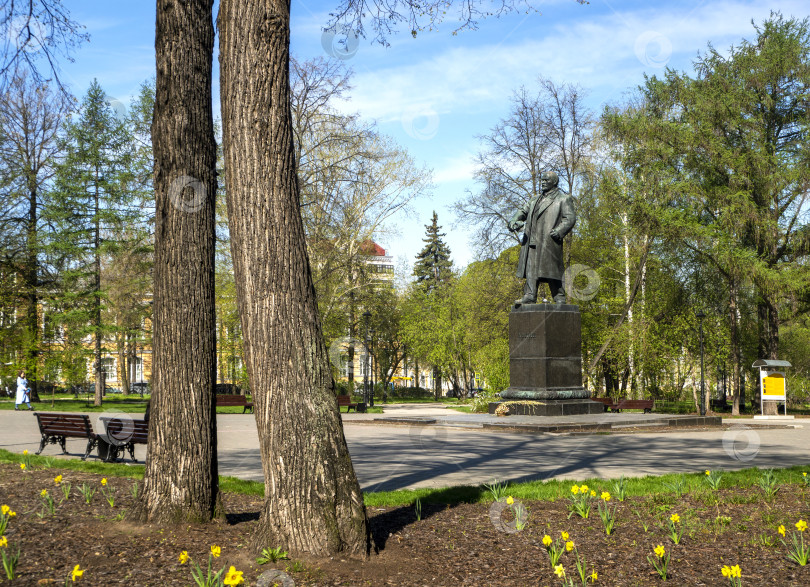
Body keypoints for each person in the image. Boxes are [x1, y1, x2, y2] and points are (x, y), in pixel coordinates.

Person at [507, 170, 576, 305]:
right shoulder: (534, 200)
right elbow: (522, 211)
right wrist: (514, 220)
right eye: (542, 180)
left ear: (554, 182)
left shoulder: (562, 199)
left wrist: (559, 231)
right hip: (532, 241)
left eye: (546, 180)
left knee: (552, 269)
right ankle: (530, 295)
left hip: (549, 240)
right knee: (531, 267)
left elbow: (570, 218)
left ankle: (559, 297)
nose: (543, 182)